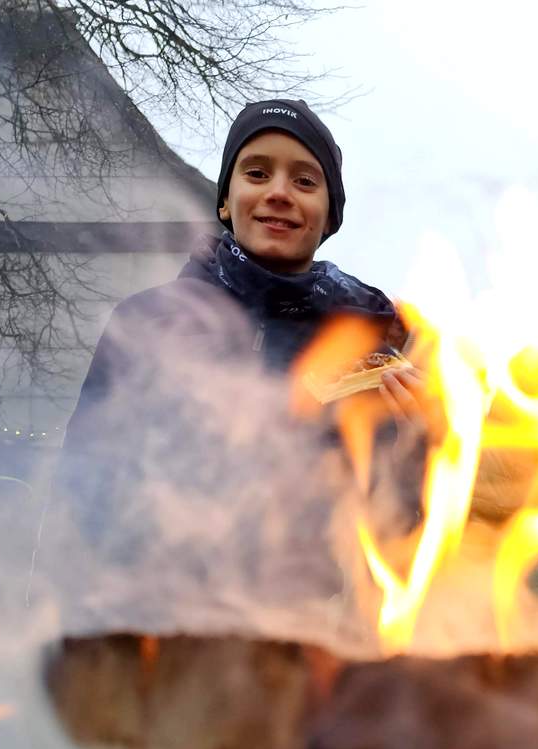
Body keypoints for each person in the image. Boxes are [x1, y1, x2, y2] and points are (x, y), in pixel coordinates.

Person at [53, 99, 421, 619]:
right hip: (161, 632)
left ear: (329, 215)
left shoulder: (371, 346)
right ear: (226, 200)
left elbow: (405, 525)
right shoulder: (150, 323)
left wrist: (418, 439)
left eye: (305, 181)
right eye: (256, 172)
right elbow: (80, 488)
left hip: (313, 638)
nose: (278, 192)